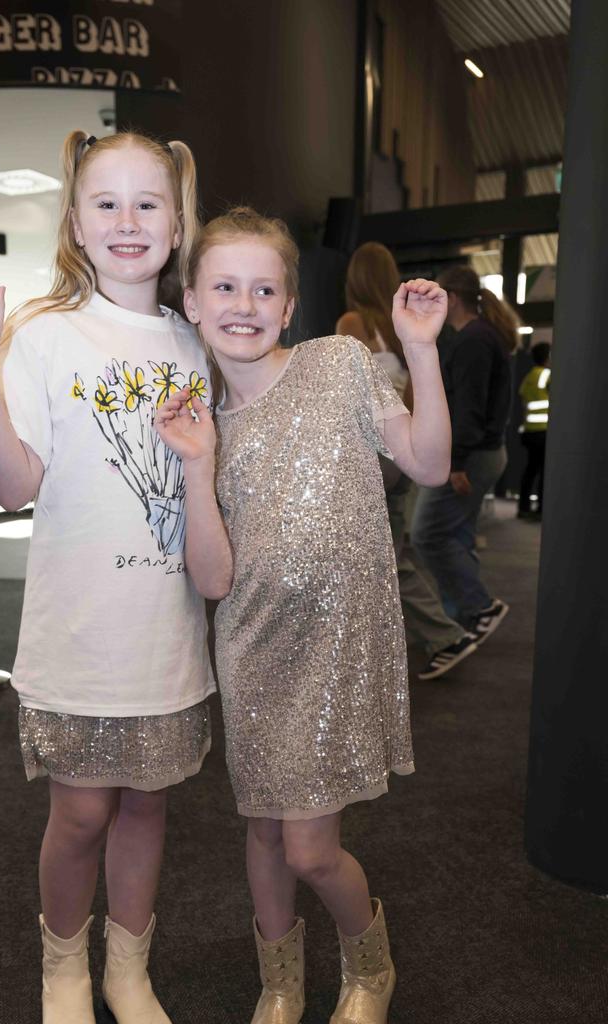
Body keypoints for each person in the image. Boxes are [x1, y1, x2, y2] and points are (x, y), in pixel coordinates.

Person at [0, 129, 214, 1024]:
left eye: (148, 202)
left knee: (148, 815)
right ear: (74, 221)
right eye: (105, 202)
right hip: (79, 641)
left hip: (169, 640)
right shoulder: (43, 334)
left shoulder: (197, 341)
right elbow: (13, 483)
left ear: (178, 219)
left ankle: (127, 969)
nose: (127, 220)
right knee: (81, 817)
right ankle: (66, 971)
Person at [155, 207, 451, 1024]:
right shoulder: (199, 418)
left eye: (263, 289)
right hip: (254, 648)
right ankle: (279, 981)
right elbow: (213, 580)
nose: (243, 305)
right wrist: (196, 464)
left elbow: (428, 460)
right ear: (192, 301)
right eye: (224, 286)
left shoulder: (340, 363)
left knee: (311, 848)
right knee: (262, 833)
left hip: (337, 650)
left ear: (289, 307)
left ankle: (369, 965)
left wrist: (419, 351)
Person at [338, 243, 478, 681]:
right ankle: (433, 634)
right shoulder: (399, 327)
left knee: (383, 560)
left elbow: (341, 395)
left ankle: (443, 634)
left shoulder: (353, 324)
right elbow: (416, 397)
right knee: (392, 554)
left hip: (368, 455)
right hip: (403, 452)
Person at [410, 265, 519, 644]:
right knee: (456, 536)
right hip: (482, 453)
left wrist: (455, 464)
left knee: (427, 536)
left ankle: (479, 607)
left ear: (451, 298)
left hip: (470, 457)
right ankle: (460, 620)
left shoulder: (473, 341)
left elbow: (468, 411)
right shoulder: (482, 336)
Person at [517, 341, 551, 520]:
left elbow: (523, 397)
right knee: (546, 471)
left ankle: (523, 507)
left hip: (530, 430)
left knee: (531, 469)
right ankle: (540, 510)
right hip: (544, 430)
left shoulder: (529, 376)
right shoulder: (547, 375)